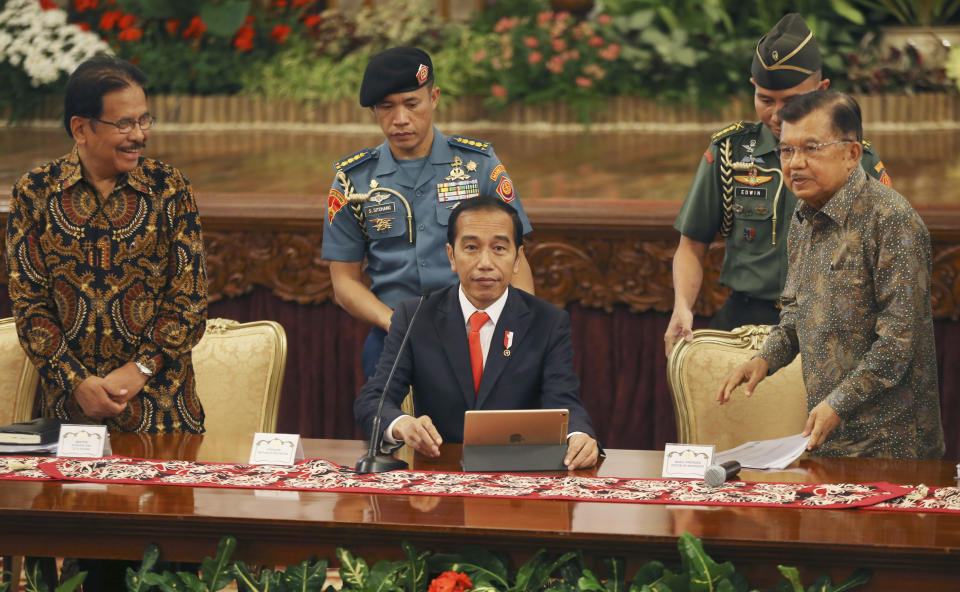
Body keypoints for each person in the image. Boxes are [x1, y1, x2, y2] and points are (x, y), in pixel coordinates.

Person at [717, 91, 944, 460]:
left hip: (894, 446)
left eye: (811, 148)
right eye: (786, 150)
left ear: (852, 154)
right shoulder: (804, 216)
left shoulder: (892, 221)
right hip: (828, 442)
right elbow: (796, 311)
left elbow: (899, 341)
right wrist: (765, 359)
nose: (795, 164)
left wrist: (838, 403)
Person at [664, 13, 893, 354]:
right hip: (745, 323)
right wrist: (682, 305)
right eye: (765, 100)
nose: (776, 115)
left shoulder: (854, 159)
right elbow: (692, 244)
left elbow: (888, 259)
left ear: (822, 90)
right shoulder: (730, 152)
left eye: (791, 101)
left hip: (829, 326)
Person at [7, 55, 207, 434]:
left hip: (162, 417)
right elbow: (30, 306)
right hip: (68, 419)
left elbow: (189, 301)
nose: (139, 135)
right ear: (81, 128)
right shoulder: (35, 192)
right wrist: (78, 382)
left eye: (144, 120)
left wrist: (140, 369)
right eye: (125, 124)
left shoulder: (169, 188)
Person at [322, 46, 535, 378]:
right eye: (386, 107)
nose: (401, 119)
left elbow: (516, 259)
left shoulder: (478, 166)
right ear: (373, 111)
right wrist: (395, 324)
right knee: (391, 426)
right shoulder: (354, 182)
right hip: (394, 334)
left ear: (434, 97)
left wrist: (515, 332)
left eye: (411, 103)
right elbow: (344, 282)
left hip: (479, 331)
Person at [354, 196, 599, 469]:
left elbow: (564, 400)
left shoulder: (547, 322)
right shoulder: (416, 317)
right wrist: (403, 424)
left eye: (499, 248)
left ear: (517, 258)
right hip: (439, 475)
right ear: (451, 256)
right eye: (471, 247)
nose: (485, 262)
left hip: (520, 479)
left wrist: (579, 436)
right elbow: (374, 400)